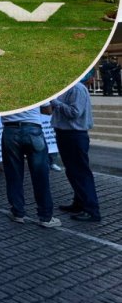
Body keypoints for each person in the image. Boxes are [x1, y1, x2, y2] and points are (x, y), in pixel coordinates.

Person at [50, 75, 101, 222]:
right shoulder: (67, 89)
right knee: (73, 171)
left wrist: (55, 102)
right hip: (65, 134)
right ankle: (79, 203)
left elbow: (74, 113)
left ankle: (91, 210)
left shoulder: (77, 89)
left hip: (74, 135)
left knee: (80, 172)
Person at [1, 105, 61, 227]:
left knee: (13, 174)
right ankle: (45, 217)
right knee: (40, 175)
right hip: (32, 129)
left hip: (10, 130)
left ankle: (17, 213)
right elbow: (48, 110)